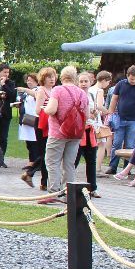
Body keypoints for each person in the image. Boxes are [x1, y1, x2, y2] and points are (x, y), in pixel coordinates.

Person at [40, 66, 88, 201]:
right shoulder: (82, 93)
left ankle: (53, 193)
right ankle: (69, 194)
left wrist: (45, 108)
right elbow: (87, 114)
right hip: (75, 134)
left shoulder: (58, 90)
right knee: (69, 164)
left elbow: (51, 110)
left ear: (62, 77)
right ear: (75, 78)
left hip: (58, 132)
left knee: (52, 162)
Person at [105, 65, 135, 174]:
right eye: (132, 79)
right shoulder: (121, 84)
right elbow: (114, 98)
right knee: (116, 143)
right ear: (127, 76)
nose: (134, 81)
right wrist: (111, 113)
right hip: (120, 118)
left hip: (134, 120)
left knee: (130, 144)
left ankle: (127, 168)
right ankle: (113, 166)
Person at [26, 67, 57, 192]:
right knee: (45, 152)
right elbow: (38, 110)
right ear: (43, 79)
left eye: (53, 76)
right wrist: (50, 109)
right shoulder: (41, 91)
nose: (52, 79)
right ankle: (43, 181)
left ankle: (30, 173)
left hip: (52, 123)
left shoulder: (55, 90)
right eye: (49, 77)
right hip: (42, 123)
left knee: (49, 152)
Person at [73, 71, 101, 197]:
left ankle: (92, 188)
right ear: (77, 83)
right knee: (74, 160)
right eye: (81, 81)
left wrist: (95, 113)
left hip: (90, 130)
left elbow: (94, 114)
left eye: (86, 81)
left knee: (91, 161)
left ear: (91, 82)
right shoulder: (76, 95)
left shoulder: (91, 95)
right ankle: (68, 186)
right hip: (79, 132)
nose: (84, 84)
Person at [17, 73, 43, 188]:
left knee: (38, 147)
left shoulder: (38, 90)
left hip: (35, 120)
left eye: (31, 80)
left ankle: (32, 171)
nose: (29, 82)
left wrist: (25, 90)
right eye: (27, 80)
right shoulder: (28, 93)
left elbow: (36, 95)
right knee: (34, 146)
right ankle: (32, 169)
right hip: (28, 119)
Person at [92, 70, 114, 172]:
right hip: (96, 120)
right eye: (108, 82)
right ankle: (97, 168)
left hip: (90, 118)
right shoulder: (99, 91)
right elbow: (100, 106)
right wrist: (109, 111)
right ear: (104, 80)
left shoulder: (90, 89)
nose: (108, 85)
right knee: (102, 144)